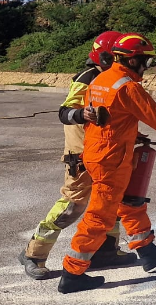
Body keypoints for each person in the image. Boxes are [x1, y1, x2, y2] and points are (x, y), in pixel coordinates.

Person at [59, 32, 156, 294]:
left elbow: (106, 118)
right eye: (146, 61)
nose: (148, 67)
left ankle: (146, 250)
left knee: (130, 199)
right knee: (100, 216)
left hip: (102, 152)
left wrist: (133, 134)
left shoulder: (101, 80)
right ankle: (72, 273)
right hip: (111, 158)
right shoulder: (128, 87)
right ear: (133, 61)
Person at [19, 31, 137, 280]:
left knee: (111, 200)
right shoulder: (87, 78)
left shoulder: (113, 78)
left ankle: (106, 251)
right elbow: (65, 112)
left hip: (107, 152)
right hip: (82, 154)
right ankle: (33, 254)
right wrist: (83, 114)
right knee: (71, 206)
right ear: (105, 56)